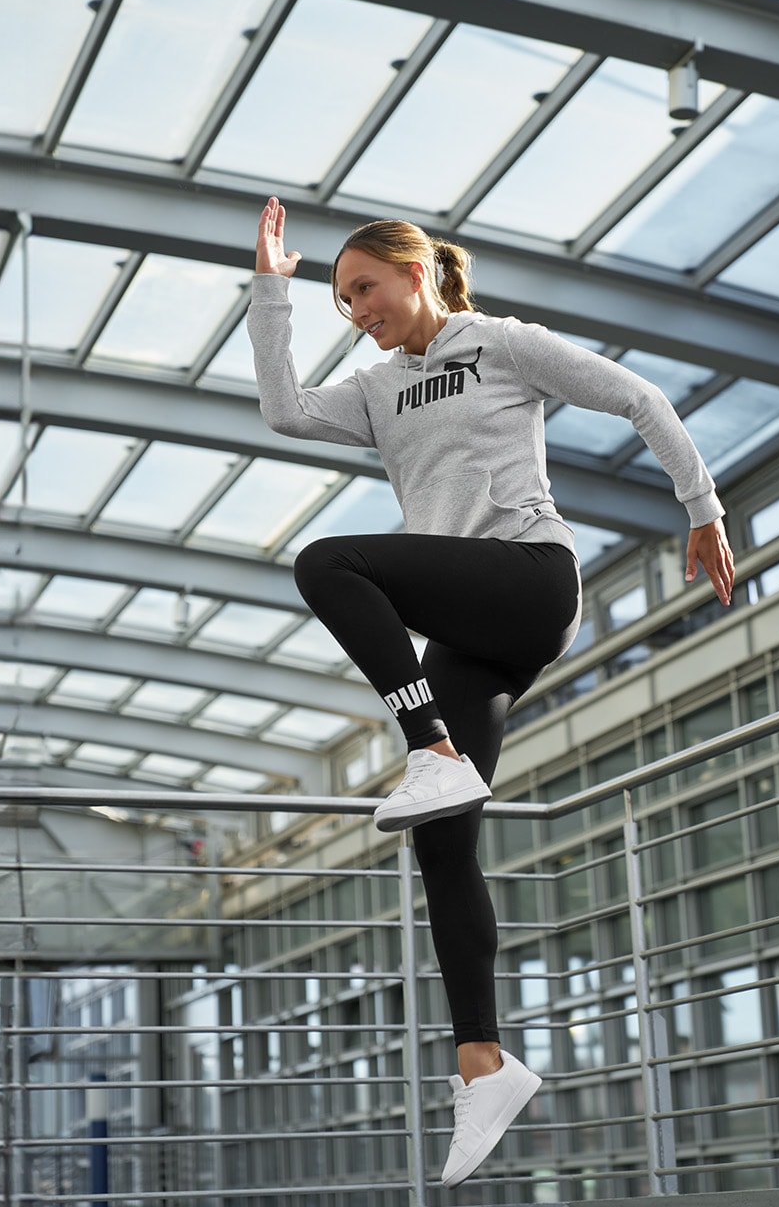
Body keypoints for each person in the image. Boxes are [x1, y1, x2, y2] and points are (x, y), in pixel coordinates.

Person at [247, 196, 735, 1188]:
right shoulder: (378, 389)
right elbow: (286, 410)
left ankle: (429, 749)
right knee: (442, 840)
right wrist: (272, 293)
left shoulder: (501, 345)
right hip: (468, 635)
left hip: (528, 580)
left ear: (413, 271)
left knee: (330, 563)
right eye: (340, 300)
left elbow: (639, 397)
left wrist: (703, 510)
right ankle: (484, 1064)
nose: (355, 312)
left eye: (363, 290)